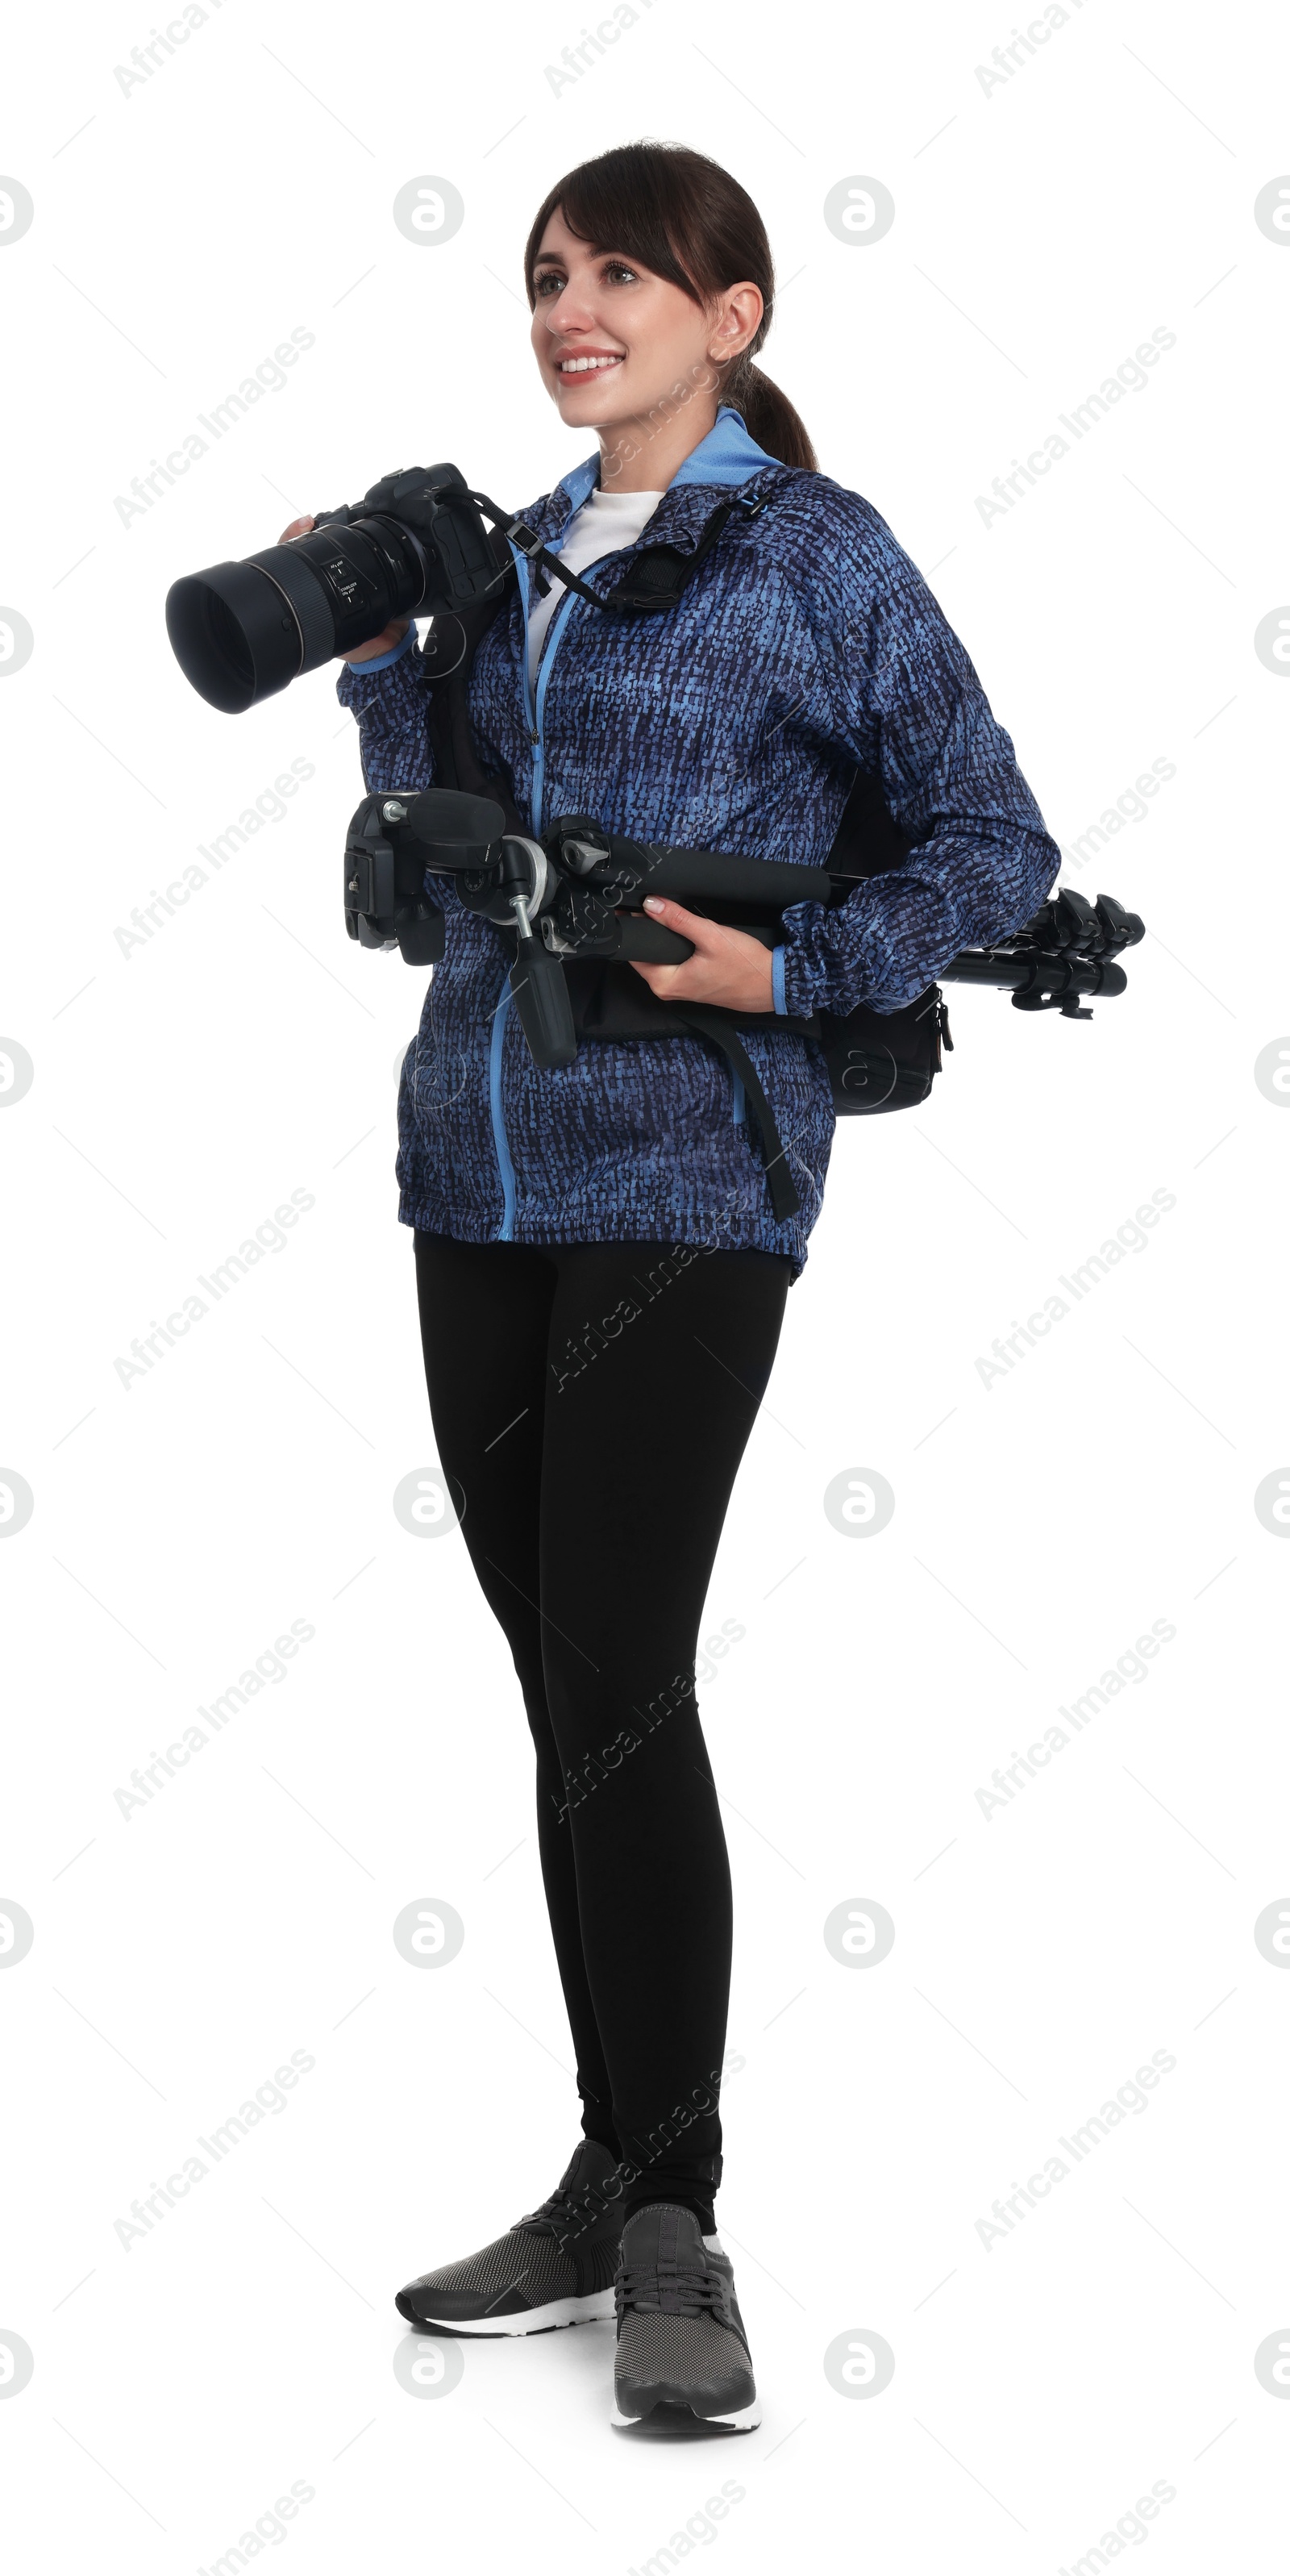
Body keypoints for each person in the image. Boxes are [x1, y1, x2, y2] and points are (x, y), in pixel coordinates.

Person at [281, 140, 1059, 2432]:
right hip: (477, 1165)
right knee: (562, 1682)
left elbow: (992, 838)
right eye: (544, 275)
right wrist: (375, 672)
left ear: (734, 314)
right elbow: (438, 897)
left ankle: (676, 2218)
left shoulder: (819, 557)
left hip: (692, 1179)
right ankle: (610, 2158)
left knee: (623, 1668)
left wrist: (789, 960)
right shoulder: (508, 564)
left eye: (621, 269)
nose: (568, 306)